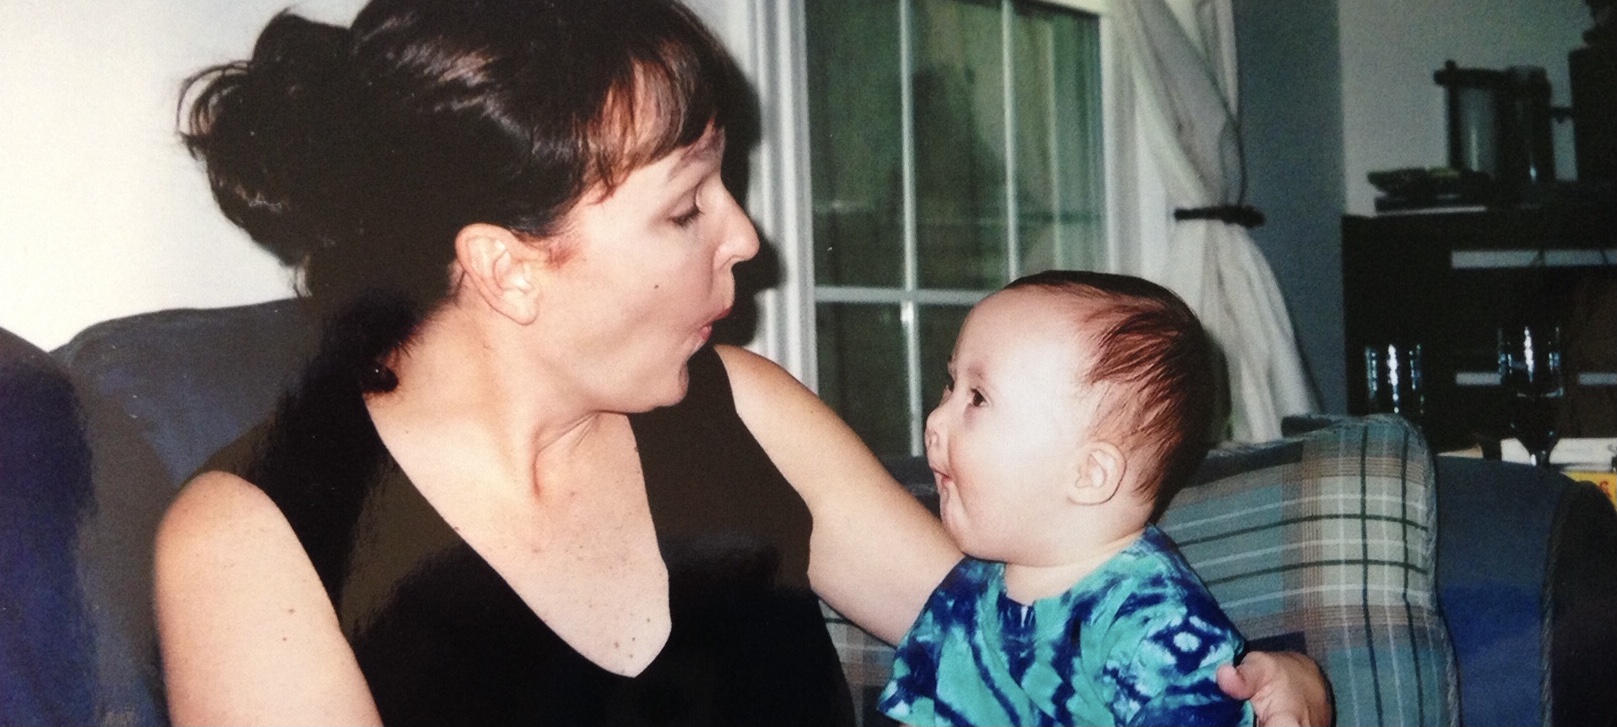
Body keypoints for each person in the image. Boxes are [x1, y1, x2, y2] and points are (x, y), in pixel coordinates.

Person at [152, 0, 1332, 725]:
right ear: (510, 268)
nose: (746, 237)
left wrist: (1275, 683)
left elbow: (1029, 635)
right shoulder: (257, 541)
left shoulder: (743, 411)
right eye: (684, 209)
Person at [879, 271, 1252, 726]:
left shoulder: (1154, 627)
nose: (935, 420)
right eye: (950, 383)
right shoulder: (969, 587)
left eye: (977, 397)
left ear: (1089, 473)